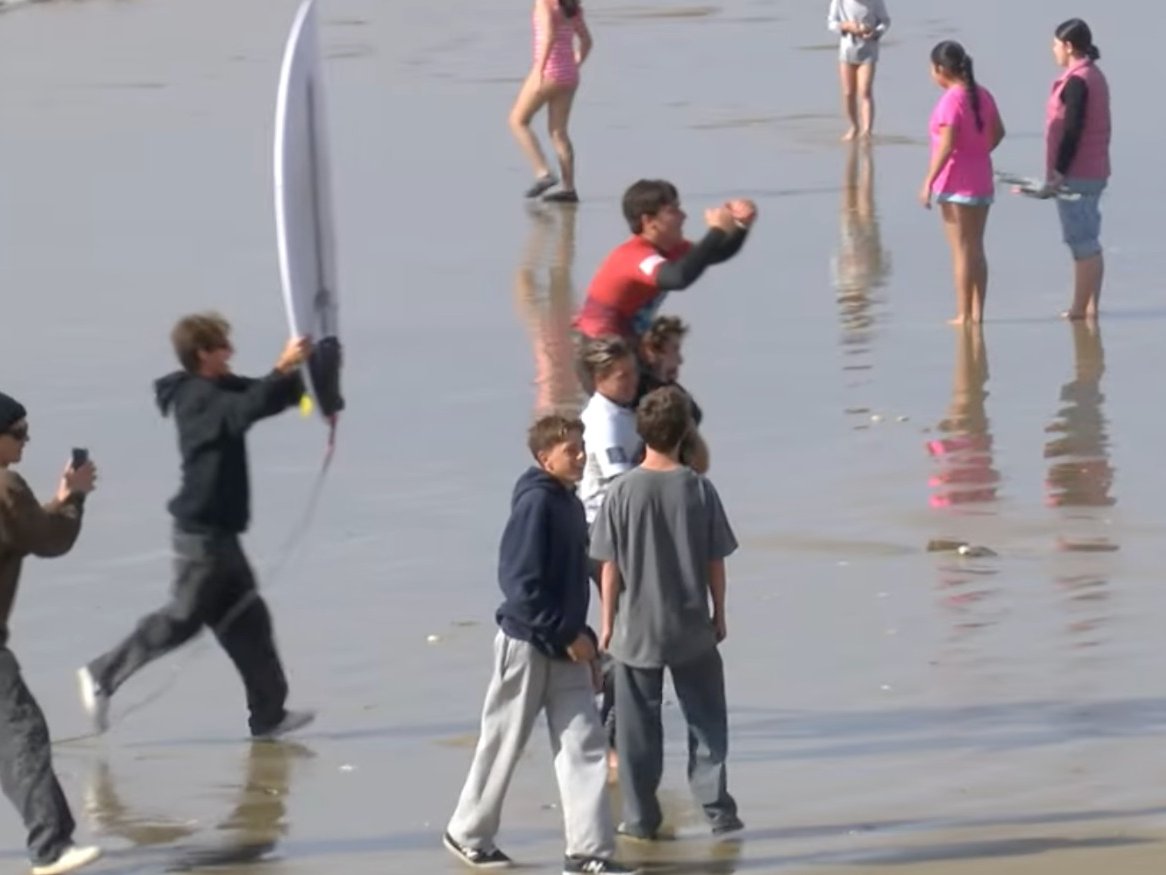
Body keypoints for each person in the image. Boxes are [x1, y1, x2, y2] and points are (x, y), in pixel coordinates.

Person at [77, 313, 316, 741]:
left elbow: (265, 396)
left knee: (251, 624)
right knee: (183, 618)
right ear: (203, 353)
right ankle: (102, 675)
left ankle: (269, 717)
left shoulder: (221, 386)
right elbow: (242, 411)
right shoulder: (195, 398)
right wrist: (282, 368)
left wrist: (310, 376)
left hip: (224, 539)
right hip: (200, 540)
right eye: (223, 346)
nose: (231, 351)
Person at [443, 415, 638, 875]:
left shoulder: (568, 501)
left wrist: (586, 638)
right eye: (570, 450)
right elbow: (519, 586)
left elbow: (570, 581)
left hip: (566, 646)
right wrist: (566, 634)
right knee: (503, 742)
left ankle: (588, 854)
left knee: (586, 745)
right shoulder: (535, 503)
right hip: (527, 644)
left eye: (582, 447)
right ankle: (467, 834)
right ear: (544, 457)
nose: (581, 456)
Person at [590, 386, 743, 841]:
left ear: (642, 431)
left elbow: (609, 567)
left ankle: (642, 819)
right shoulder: (699, 488)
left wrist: (607, 623)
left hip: (635, 629)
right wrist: (719, 612)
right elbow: (715, 560)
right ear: (684, 433)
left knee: (638, 730)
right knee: (707, 721)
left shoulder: (621, 491)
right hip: (690, 625)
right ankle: (718, 811)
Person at [0, 391, 103, 875]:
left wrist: (57, 501)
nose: (26, 440)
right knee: (22, 733)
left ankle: (54, 842)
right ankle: (51, 848)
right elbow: (48, 539)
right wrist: (76, 497)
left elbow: (20, 529)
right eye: (17, 432)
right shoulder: (5, 484)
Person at [571, 180, 757, 363]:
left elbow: (714, 254)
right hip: (598, 349)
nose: (683, 216)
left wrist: (742, 226)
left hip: (626, 343)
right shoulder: (634, 256)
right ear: (648, 221)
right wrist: (716, 230)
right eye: (673, 211)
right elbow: (678, 278)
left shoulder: (670, 248)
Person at [919, 41, 1005, 325]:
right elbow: (999, 132)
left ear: (940, 69)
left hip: (955, 184)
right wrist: (978, 152)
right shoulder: (983, 94)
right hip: (981, 181)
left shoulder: (950, 101)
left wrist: (928, 181)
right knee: (976, 248)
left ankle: (963, 313)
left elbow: (947, 145)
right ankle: (978, 313)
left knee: (961, 251)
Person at [1043, 18, 1111, 321]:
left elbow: (1072, 130)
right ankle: (1091, 307)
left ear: (1069, 47)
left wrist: (1059, 171)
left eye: (1056, 44)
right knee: (1089, 241)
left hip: (1078, 173)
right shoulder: (1093, 74)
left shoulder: (1078, 81)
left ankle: (1079, 310)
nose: (1053, 50)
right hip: (1093, 170)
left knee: (1082, 243)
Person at [511, 0, 593, 203]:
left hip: (548, 72)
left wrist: (538, 71)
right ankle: (569, 189)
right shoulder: (572, 7)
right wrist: (575, 63)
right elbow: (587, 41)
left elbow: (548, 35)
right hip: (569, 76)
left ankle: (543, 172)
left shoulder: (544, 3)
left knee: (518, 121)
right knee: (559, 132)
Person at [636, 315, 709, 473]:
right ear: (653, 351)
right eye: (674, 349)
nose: (680, 360)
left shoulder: (676, 391)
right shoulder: (642, 393)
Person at [827, 0, 891, 140]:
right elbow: (831, 23)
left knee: (865, 91)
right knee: (848, 92)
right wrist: (846, 25)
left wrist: (875, 32)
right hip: (847, 51)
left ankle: (867, 130)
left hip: (868, 50)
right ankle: (854, 126)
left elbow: (885, 21)